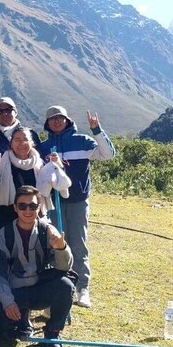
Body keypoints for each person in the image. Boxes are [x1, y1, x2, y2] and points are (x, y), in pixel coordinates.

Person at [37, 106, 115, 308]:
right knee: (55, 243)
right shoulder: (44, 147)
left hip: (78, 201)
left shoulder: (82, 141)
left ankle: (82, 288)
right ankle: (59, 286)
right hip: (53, 203)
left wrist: (96, 130)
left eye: (60, 118)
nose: (56, 121)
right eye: (52, 119)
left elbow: (107, 154)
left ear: (67, 120)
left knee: (78, 244)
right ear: (47, 123)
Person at [0, 186, 74, 347]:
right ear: (15, 207)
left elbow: (65, 267)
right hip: (15, 292)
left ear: (39, 206)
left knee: (65, 285)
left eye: (32, 206)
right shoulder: (4, 234)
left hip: (39, 289)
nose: (27, 211)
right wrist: (8, 302)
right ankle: (21, 319)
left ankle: (52, 333)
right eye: (22, 206)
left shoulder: (48, 230)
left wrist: (60, 248)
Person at [0, 127, 69, 247]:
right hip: (5, 219)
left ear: (32, 143)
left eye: (25, 139)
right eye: (17, 140)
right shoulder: (0, 164)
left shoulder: (41, 165)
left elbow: (52, 187)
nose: (22, 143)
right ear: (11, 143)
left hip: (33, 216)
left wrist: (56, 167)